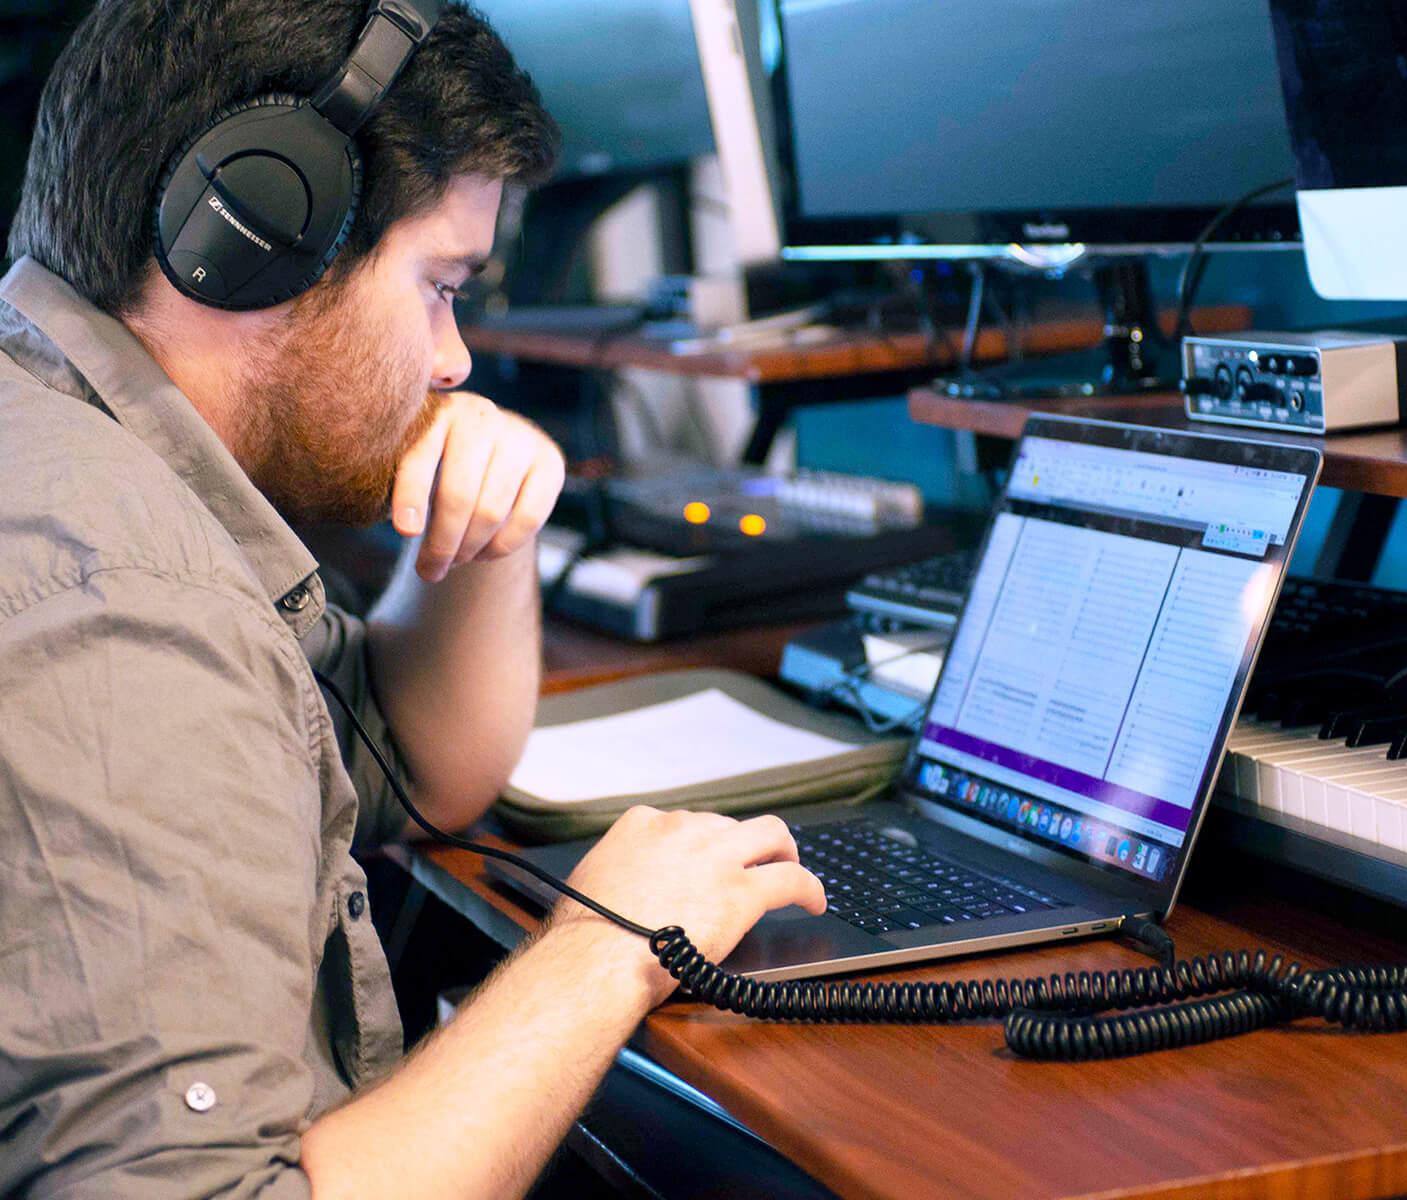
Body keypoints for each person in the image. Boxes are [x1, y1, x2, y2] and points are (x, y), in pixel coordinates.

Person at [0, 2, 826, 1196]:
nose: (455, 360)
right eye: (441, 286)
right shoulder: (118, 609)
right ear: (249, 236)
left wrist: (493, 535)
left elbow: (407, 763)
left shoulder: (79, 448)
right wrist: (605, 948)